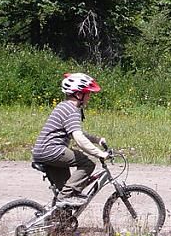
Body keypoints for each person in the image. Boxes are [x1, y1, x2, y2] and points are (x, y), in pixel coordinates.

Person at [31, 72, 111, 207]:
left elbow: (76, 131)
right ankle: (67, 195)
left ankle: (58, 224)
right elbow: (78, 138)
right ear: (79, 94)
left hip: (44, 152)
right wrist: (99, 153)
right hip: (52, 151)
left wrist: (97, 140)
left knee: (64, 193)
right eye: (88, 94)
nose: (89, 97)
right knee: (88, 163)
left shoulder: (64, 106)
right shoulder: (72, 110)